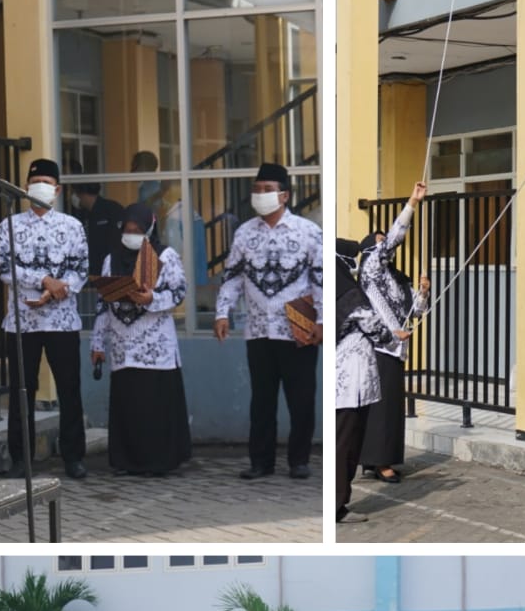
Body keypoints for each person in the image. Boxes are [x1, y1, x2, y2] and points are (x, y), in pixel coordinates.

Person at [214, 162, 323, 481]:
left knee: (301, 399)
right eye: (257, 190)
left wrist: (323, 319)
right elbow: (232, 277)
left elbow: (320, 278)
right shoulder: (245, 233)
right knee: (261, 401)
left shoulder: (308, 231)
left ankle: (299, 460)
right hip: (259, 330)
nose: (260, 195)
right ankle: (260, 461)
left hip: (298, 329)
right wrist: (223, 312)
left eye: (267, 190)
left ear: (284, 195)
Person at [0, 157, 90, 480]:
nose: (41, 188)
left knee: (69, 389)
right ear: (25, 188)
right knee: (23, 389)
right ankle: (21, 459)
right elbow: (5, 269)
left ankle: (74, 457)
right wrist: (43, 281)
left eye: (47, 183)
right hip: (23, 321)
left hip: (62, 321)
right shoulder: (9, 226)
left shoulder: (72, 226)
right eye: (35, 182)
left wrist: (57, 290)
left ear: (58, 190)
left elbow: (80, 271)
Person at [90, 204, 192, 476]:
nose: (131, 234)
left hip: (156, 345)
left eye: (137, 230)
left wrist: (152, 299)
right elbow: (103, 303)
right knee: (129, 406)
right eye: (127, 229)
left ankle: (159, 462)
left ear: (149, 227)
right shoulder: (112, 259)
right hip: (122, 344)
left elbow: (179, 292)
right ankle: (127, 461)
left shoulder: (164, 256)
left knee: (155, 405)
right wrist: (98, 343)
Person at [358, 183, 432, 484]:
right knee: (380, 408)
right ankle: (379, 462)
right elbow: (393, 239)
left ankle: (379, 458)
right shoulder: (370, 271)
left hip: (396, 351)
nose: (383, 245)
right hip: (379, 348)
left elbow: (415, 311)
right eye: (378, 242)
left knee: (390, 408)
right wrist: (412, 203)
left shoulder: (397, 278)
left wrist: (424, 293)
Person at [334, 239, 378, 524]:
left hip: (352, 383)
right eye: (353, 257)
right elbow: (371, 323)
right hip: (350, 384)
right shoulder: (348, 293)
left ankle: (340, 503)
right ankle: (337, 506)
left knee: (347, 442)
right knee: (345, 444)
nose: (356, 262)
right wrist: (394, 333)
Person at [71, 181, 124, 279]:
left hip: (110, 270)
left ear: (82, 194)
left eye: (75, 193)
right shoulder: (82, 215)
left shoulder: (111, 210)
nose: (74, 197)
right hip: (89, 271)